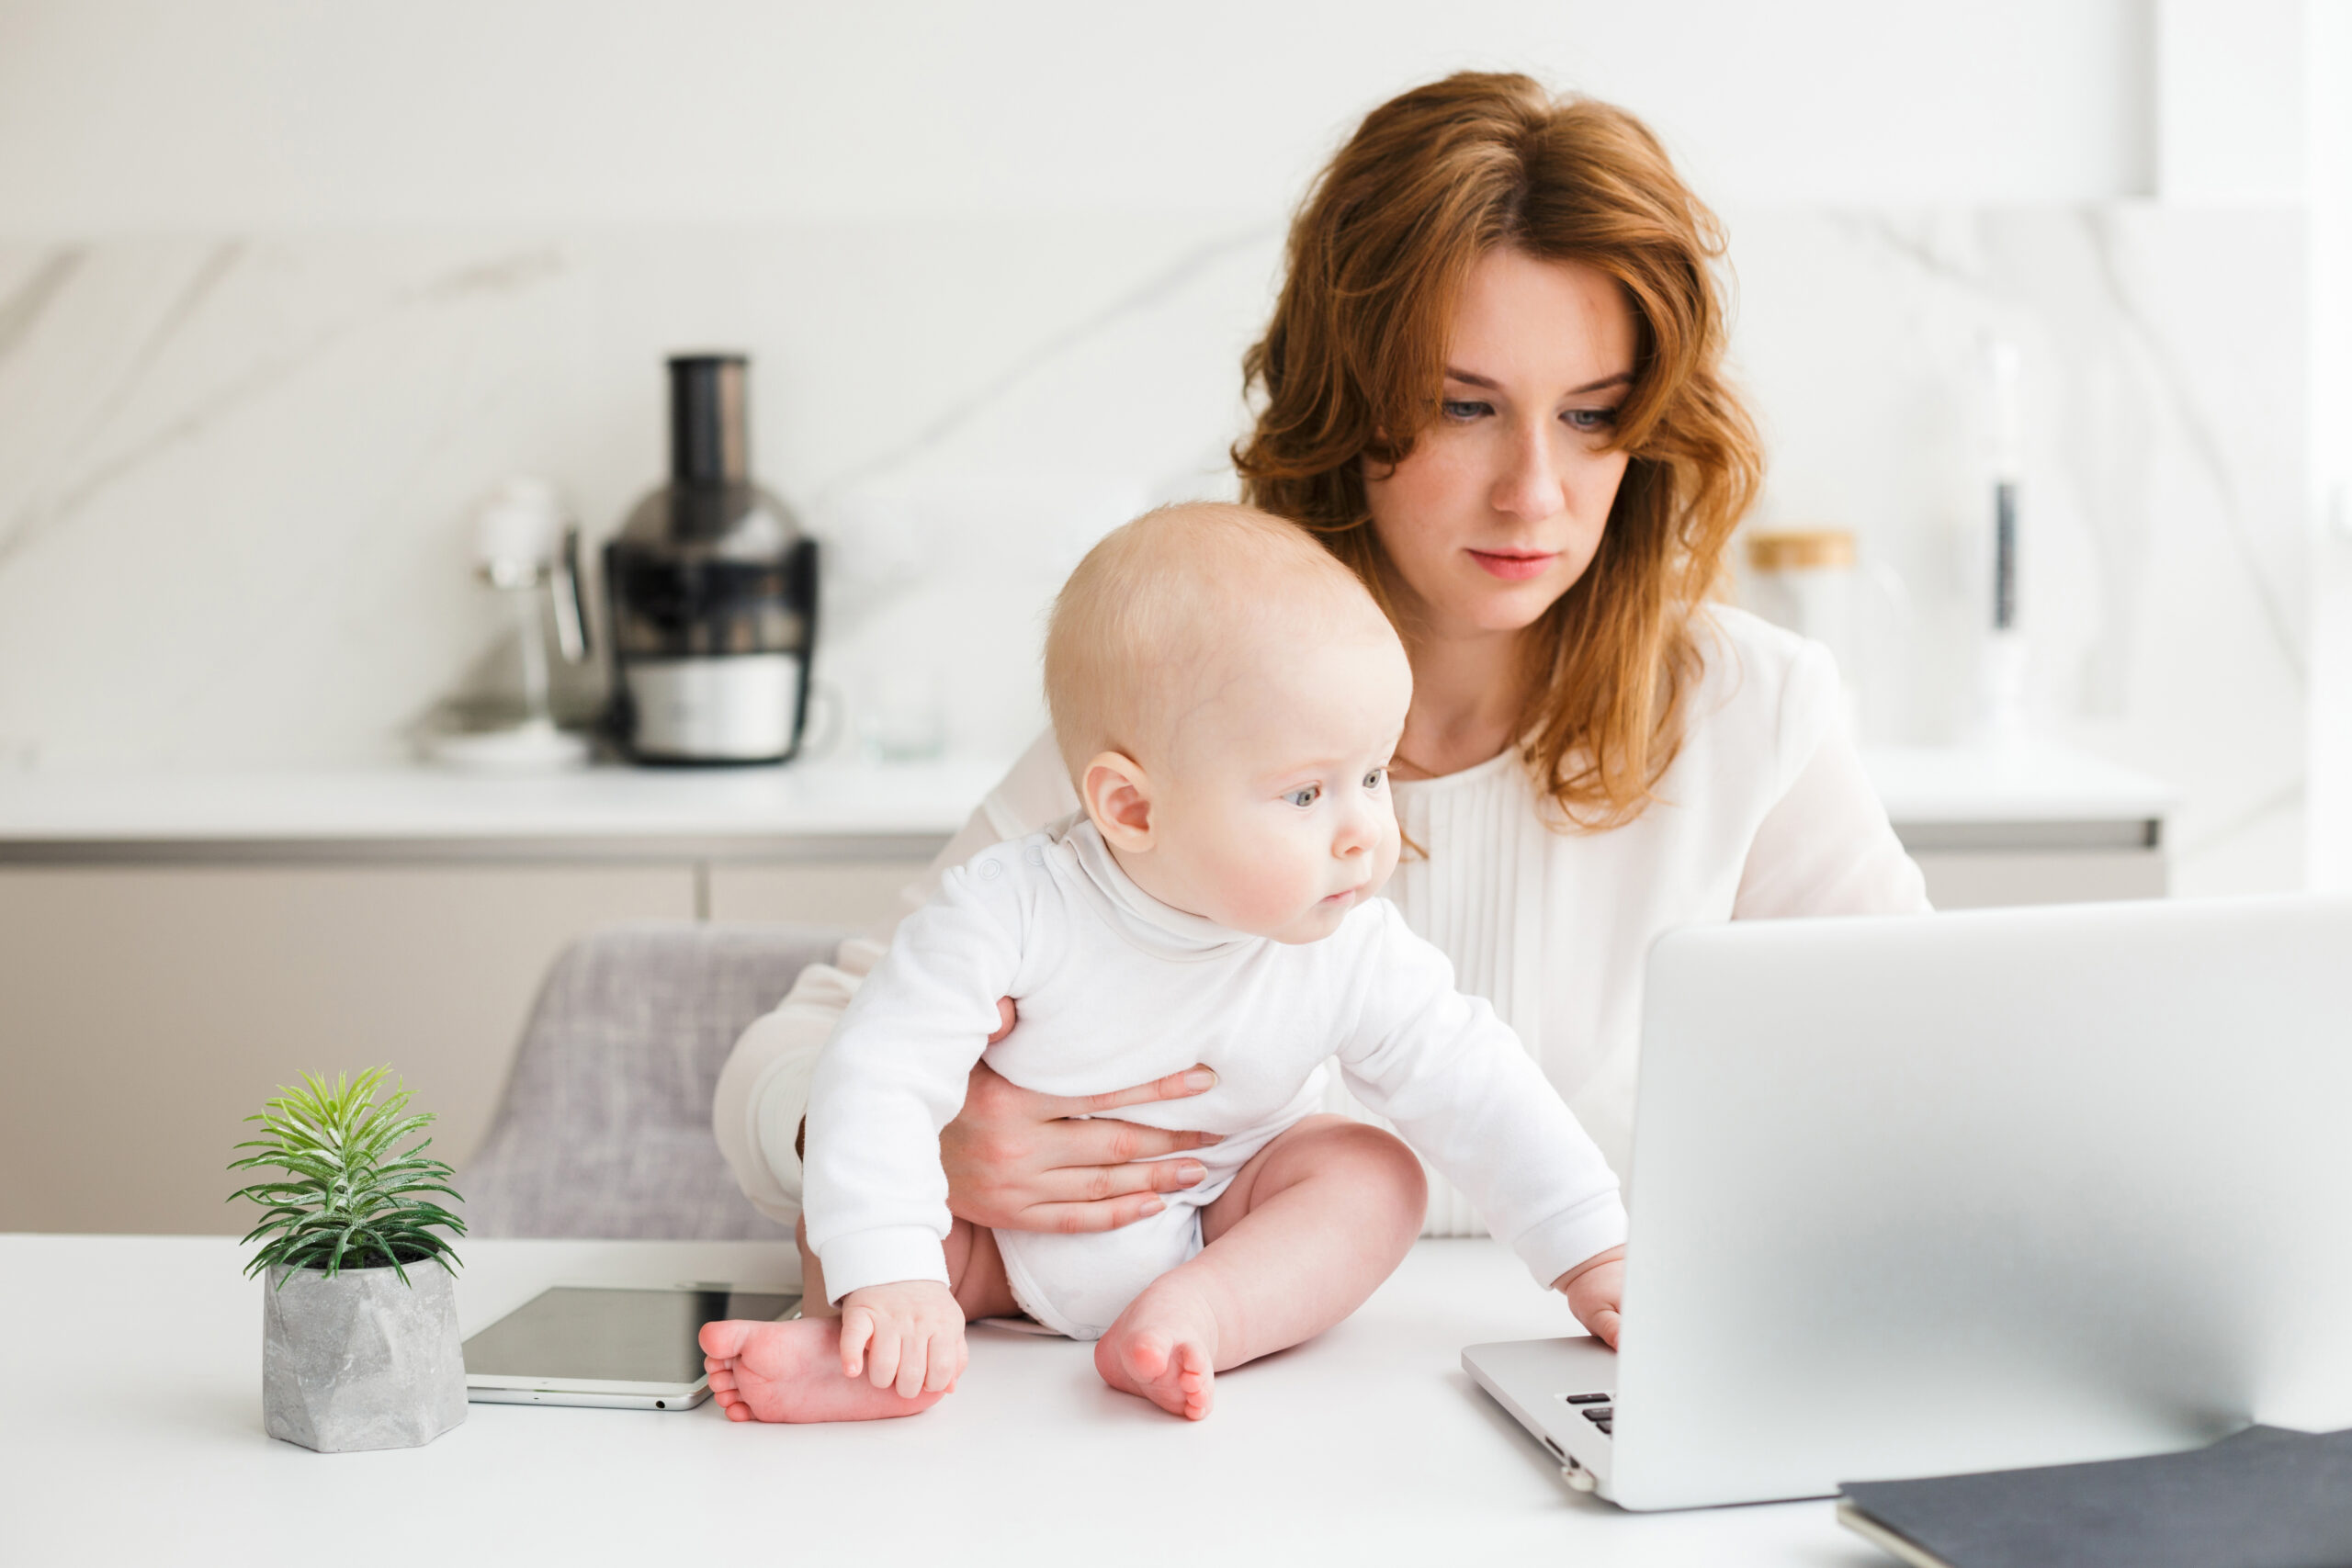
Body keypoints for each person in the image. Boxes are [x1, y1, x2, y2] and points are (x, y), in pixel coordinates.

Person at [712, 71, 1926, 1275]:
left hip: (1591, 1372)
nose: (1535, 491)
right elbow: (787, 1058)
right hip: (1213, 1400)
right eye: (1465, 406)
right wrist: (923, 1135)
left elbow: (1933, 1093)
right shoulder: (1196, 696)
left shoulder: (1754, 713)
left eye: (1594, 414)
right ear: (1350, 404)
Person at [699, 504, 1626, 1423]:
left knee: (1371, 1176)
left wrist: (1594, 1254)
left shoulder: (1348, 945)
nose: (1364, 836)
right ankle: (865, 1348)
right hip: (985, 1247)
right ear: (1132, 810)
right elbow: (880, 1070)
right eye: (1308, 792)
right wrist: (890, 1273)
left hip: (1216, 1222)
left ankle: (1198, 1318)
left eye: (1375, 775)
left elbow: (1478, 1085)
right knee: (856, 1188)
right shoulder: (1008, 907)